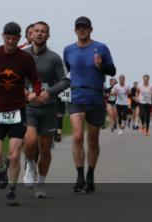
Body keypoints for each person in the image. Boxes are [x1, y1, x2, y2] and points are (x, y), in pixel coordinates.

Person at [0, 22, 42, 206]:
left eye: (14, 38)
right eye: (8, 37)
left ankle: (11, 191)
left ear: (20, 38)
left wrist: (36, 92)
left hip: (17, 111)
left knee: (15, 154)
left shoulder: (25, 59)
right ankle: (2, 167)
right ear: (2, 36)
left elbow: (36, 80)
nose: (11, 41)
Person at [63, 16, 116, 194]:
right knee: (77, 136)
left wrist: (101, 66)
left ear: (91, 29)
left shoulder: (101, 48)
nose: (82, 30)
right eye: (79, 27)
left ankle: (90, 175)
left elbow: (112, 70)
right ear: (75, 30)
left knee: (92, 140)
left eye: (85, 27)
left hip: (95, 97)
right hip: (76, 96)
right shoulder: (68, 50)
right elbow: (66, 72)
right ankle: (79, 177)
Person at [22, 21, 70, 198]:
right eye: (37, 31)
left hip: (49, 108)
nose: (40, 34)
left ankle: (40, 184)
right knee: (30, 140)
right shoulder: (22, 56)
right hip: (29, 107)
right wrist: (25, 93)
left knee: (45, 148)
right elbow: (15, 79)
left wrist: (48, 93)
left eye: (43, 31)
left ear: (48, 35)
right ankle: (29, 165)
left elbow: (65, 81)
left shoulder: (54, 58)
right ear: (31, 34)